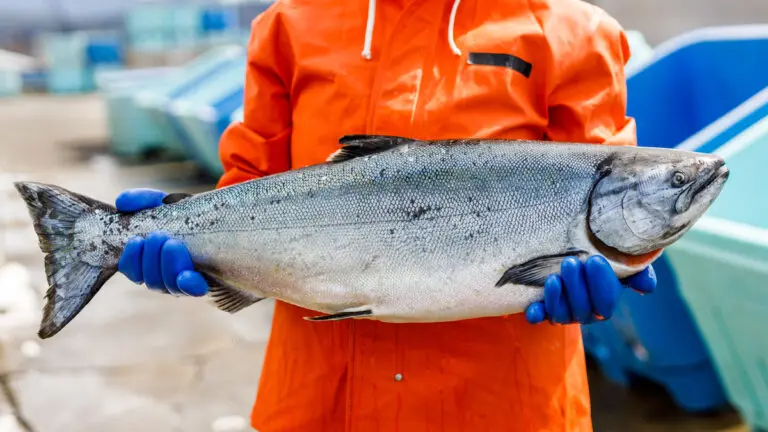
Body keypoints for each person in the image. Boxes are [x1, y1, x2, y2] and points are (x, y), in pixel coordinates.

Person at [115, 0, 657, 430]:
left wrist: (616, 263)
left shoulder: (572, 31)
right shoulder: (291, 24)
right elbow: (252, 185)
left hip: (505, 408)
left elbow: (609, 193)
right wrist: (192, 242)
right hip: (322, 405)